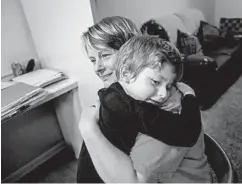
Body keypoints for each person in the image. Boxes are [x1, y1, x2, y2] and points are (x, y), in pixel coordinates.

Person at [78, 16, 210, 183]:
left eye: (105, 55)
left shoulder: (163, 107)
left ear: (130, 53)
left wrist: (88, 129)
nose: (97, 68)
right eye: (92, 60)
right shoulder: (125, 96)